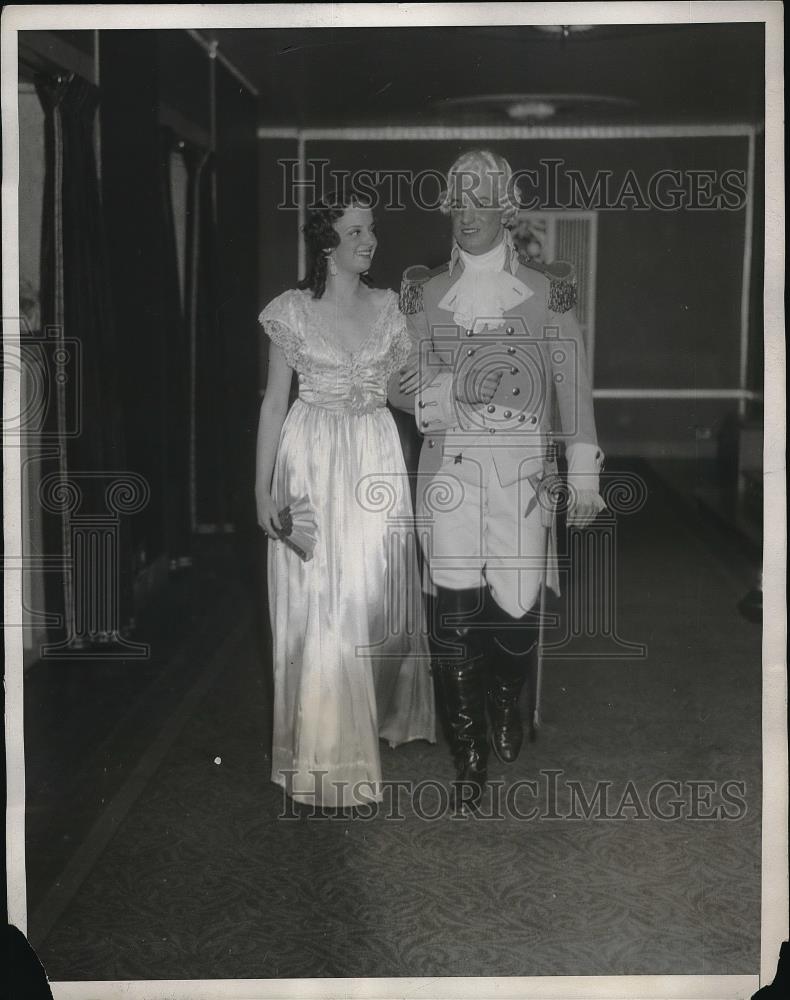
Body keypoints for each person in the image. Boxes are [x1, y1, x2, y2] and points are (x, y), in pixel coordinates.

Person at [397, 149, 605, 814]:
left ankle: (505, 691)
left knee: (516, 613)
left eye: (480, 199)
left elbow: (572, 385)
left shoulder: (548, 292)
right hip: (451, 468)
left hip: (520, 473)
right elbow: (401, 381)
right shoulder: (425, 292)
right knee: (455, 614)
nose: (466, 212)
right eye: (457, 199)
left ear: (505, 211)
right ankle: (469, 753)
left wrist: (582, 474)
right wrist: (436, 396)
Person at [255, 189, 435, 811]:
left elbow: (403, 397)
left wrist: (431, 392)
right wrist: (261, 490)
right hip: (308, 461)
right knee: (323, 606)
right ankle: (331, 758)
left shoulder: (391, 310)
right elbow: (275, 403)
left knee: (373, 598)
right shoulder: (292, 311)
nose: (370, 241)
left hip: (375, 457)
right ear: (327, 243)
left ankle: (363, 720)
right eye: (357, 231)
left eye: (372, 230)